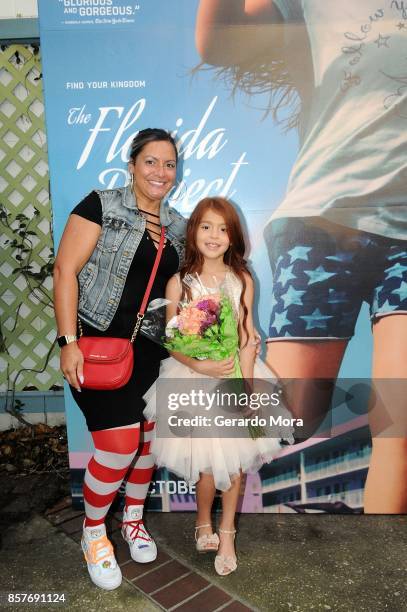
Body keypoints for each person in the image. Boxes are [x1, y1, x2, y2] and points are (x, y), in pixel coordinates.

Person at [196, 1, 407, 513]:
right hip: (323, 220)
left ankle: (382, 575)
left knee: (401, 420)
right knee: (294, 417)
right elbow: (219, 41)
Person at [53, 128, 187, 590]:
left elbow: (181, 292)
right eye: (151, 162)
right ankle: (94, 533)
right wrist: (67, 340)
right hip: (94, 346)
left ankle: (132, 520)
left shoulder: (180, 227)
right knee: (118, 445)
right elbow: (64, 269)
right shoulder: (101, 205)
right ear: (132, 164)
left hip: (150, 351)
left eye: (169, 164)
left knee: (147, 442)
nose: (160, 172)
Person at [143, 197, 292, 576]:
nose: (214, 235)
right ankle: (202, 520)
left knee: (237, 461)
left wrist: (245, 389)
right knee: (207, 467)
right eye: (206, 226)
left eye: (223, 229)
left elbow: (245, 335)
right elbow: (171, 340)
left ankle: (227, 533)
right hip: (194, 380)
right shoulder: (180, 283)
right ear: (193, 232)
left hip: (235, 377)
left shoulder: (242, 279)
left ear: (233, 236)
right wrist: (200, 364)